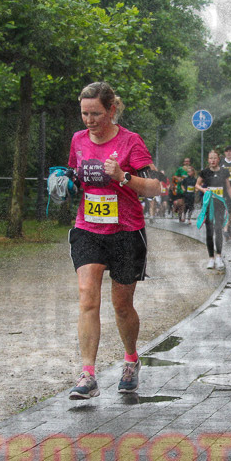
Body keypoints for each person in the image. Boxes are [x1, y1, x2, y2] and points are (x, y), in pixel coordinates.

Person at [67, 82, 163, 398]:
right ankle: (88, 374)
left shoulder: (130, 142)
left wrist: (122, 175)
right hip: (88, 229)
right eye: (84, 114)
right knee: (87, 296)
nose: (89, 120)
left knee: (121, 306)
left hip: (126, 232)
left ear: (111, 110)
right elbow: (73, 176)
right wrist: (63, 184)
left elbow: (156, 187)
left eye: (96, 113)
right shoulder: (78, 141)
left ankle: (131, 359)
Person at [196, 150, 231, 270]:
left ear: (219, 159)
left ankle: (219, 256)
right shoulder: (204, 172)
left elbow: (228, 188)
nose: (212, 160)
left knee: (218, 229)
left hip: (220, 205)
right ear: (208, 160)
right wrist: (203, 190)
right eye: (210, 158)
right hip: (209, 205)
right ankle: (211, 258)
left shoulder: (224, 172)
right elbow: (197, 185)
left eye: (215, 158)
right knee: (209, 231)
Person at [172, 157, 196, 223]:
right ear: (183, 162)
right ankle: (177, 210)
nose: (186, 163)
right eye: (185, 161)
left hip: (188, 192)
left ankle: (184, 217)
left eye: (188, 161)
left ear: (189, 162)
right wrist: (178, 178)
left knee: (185, 204)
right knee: (180, 204)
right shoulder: (180, 169)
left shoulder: (191, 169)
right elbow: (175, 176)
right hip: (180, 189)